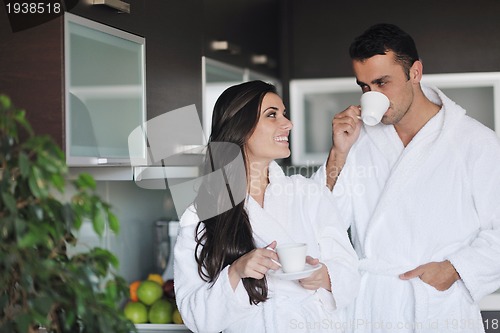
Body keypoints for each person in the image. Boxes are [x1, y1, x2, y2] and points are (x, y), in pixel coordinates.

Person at [315, 23, 500, 332]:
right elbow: (324, 221)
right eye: (364, 87)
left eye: (382, 83)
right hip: (372, 306)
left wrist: (454, 270)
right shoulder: (357, 141)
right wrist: (338, 154)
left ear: (415, 72)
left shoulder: (475, 142)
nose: (372, 96)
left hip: (435, 307)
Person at [174, 80, 360, 333]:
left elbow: (348, 272)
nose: (288, 123)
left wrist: (324, 276)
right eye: (272, 115)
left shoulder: (308, 194)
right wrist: (237, 271)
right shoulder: (200, 215)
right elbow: (197, 319)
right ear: (240, 128)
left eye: (284, 114)